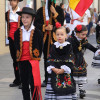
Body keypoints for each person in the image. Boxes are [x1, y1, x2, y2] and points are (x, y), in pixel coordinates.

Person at [15, 7, 43, 100]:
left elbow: (40, 46)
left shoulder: (37, 32)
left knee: (34, 83)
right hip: (22, 61)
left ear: (32, 19)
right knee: (24, 84)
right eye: (23, 17)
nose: (24, 19)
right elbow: (16, 46)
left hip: (33, 62)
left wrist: (37, 58)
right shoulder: (17, 32)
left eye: (27, 17)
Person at [34, 0, 64, 87]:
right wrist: (45, 27)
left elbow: (61, 23)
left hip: (56, 39)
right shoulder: (40, 10)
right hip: (44, 39)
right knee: (46, 59)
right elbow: (36, 24)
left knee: (56, 58)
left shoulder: (59, 10)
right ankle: (47, 79)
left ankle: (57, 78)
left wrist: (55, 13)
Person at [44, 23, 77, 100]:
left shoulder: (69, 46)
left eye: (62, 34)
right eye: (57, 34)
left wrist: (63, 69)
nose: (59, 36)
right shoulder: (53, 46)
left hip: (65, 72)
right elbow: (50, 58)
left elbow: (71, 58)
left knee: (65, 91)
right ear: (55, 35)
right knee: (53, 90)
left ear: (66, 36)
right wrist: (53, 68)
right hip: (54, 72)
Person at [68, 25, 100, 99]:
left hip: (80, 59)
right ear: (77, 33)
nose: (85, 36)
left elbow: (87, 45)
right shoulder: (71, 39)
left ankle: (81, 90)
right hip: (72, 59)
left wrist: (96, 50)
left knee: (81, 75)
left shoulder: (83, 39)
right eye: (83, 34)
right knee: (73, 75)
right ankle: (73, 90)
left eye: (86, 34)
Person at [5, 0, 23, 87]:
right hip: (11, 40)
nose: (12, 2)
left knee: (20, 59)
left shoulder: (21, 12)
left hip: (19, 39)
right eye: (11, 0)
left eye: (14, 0)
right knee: (14, 60)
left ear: (17, 2)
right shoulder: (7, 13)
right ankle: (17, 80)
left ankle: (23, 80)